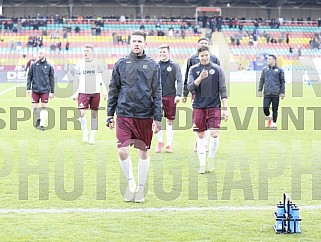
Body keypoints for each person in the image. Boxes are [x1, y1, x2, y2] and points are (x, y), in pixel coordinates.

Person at [106, 30, 162, 203]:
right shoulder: (121, 63)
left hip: (144, 115)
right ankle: (131, 183)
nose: (137, 44)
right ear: (130, 43)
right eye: (134, 41)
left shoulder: (153, 65)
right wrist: (110, 114)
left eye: (140, 41)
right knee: (122, 151)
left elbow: (157, 92)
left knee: (143, 152)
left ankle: (141, 190)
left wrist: (157, 117)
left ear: (145, 44)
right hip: (124, 114)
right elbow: (113, 89)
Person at [187, 45, 228, 174]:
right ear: (198, 57)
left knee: (214, 134)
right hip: (199, 107)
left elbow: (223, 90)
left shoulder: (217, 70)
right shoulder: (193, 70)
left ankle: (210, 158)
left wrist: (225, 109)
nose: (204, 57)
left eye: (206, 55)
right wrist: (200, 78)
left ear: (209, 55)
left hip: (214, 106)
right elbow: (190, 88)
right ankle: (202, 164)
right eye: (201, 56)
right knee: (200, 135)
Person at [182, 37, 220, 152]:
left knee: (209, 120)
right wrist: (185, 93)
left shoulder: (215, 59)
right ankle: (198, 142)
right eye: (201, 43)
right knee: (198, 120)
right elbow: (187, 78)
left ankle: (204, 143)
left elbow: (219, 77)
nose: (203, 45)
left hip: (210, 95)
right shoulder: (192, 60)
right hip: (196, 93)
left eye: (205, 43)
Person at [72, 44, 107, 144]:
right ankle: (85, 131)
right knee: (81, 113)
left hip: (95, 92)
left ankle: (92, 136)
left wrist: (104, 91)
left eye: (87, 51)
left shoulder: (97, 63)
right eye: (84, 51)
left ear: (92, 52)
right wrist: (76, 92)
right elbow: (77, 80)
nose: (85, 53)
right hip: (83, 92)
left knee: (94, 114)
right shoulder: (80, 64)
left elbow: (102, 77)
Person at [155, 44, 182, 153]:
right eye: (160, 52)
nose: (162, 54)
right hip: (157, 96)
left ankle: (169, 145)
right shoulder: (155, 65)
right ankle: (160, 141)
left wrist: (178, 94)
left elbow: (179, 80)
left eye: (164, 52)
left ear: (169, 53)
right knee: (156, 120)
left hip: (171, 96)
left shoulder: (174, 65)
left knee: (170, 121)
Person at [26, 49, 55, 131]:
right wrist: (28, 88)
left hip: (45, 90)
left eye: (41, 53)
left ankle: (42, 125)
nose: (39, 54)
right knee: (34, 107)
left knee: (44, 107)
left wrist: (52, 91)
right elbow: (29, 77)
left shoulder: (49, 66)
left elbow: (52, 79)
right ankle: (39, 117)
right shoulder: (33, 65)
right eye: (38, 53)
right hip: (35, 90)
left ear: (45, 54)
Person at [258, 54, 285, 130]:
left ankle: (274, 124)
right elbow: (262, 80)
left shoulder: (280, 70)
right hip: (267, 92)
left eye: (270, 59)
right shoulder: (265, 69)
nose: (268, 60)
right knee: (265, 108)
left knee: (275, 109)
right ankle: (269, 117)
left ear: (274, 60)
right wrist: (260, 90)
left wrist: (282, 92)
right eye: (268, 59)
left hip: (276, 92)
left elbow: (282, 81)